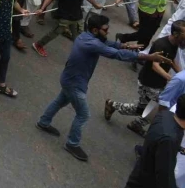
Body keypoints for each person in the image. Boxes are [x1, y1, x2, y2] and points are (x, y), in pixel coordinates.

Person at [35, 14, 170, 162]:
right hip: (74, 84)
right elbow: (116, 54)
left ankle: (44, 122)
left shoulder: (85, 36)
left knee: (60, 101)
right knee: (83, 114)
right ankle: (72, 143)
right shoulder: (93, 44)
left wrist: (124, 45)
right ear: (94, 30)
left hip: (70, 79)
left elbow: (108, 43)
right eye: (105, 29)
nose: (108, 31)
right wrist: (147, 57)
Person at [105, 20, 185, 136]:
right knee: (155, 108)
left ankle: (117, 108)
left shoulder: (175, 45)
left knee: (146, 108)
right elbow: (155, 65)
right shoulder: (161, 45)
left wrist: (181, 74)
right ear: (176, 34)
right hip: (149, 82)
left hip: (157, 83)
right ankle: (120, 111)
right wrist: (171, 78)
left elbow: (170, 61)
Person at [125, 94, 185, 187]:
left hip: (139, 173)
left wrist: (179, 148)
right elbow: (165, 178)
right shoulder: (169, 140)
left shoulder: (165, 115)